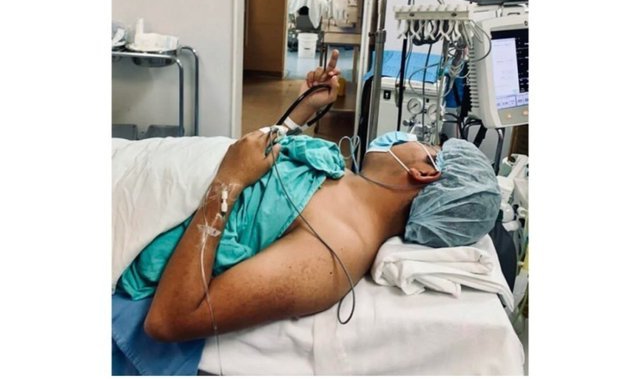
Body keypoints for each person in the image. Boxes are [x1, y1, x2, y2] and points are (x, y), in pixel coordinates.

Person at [141, 50, 501, 344]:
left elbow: (172, 320)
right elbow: (265, 176)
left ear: (423, 173)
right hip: (151, 164)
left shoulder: (330, 255)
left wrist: (227, 183)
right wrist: (304, 109)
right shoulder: (347, 184)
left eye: (427, 146)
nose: (408, 139)